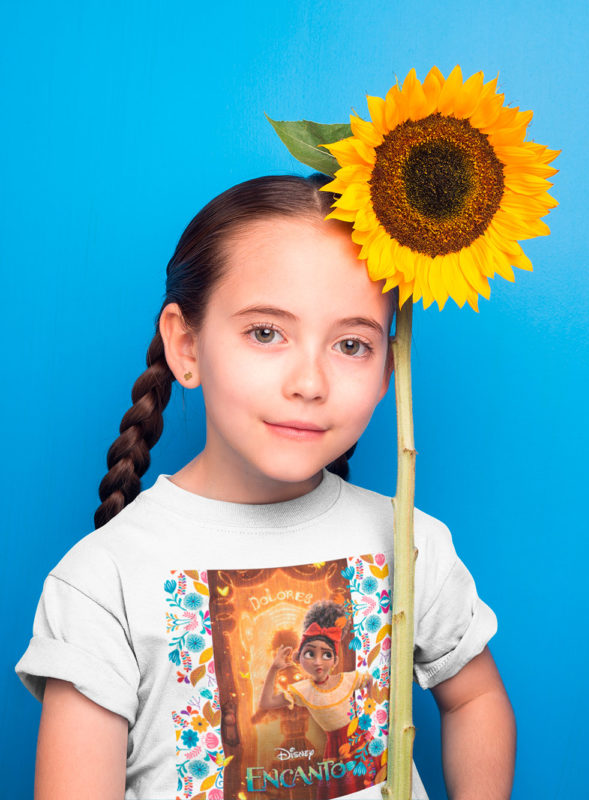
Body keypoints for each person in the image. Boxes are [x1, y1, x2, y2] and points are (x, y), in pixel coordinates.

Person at [15, 173, 516, 800]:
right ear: (187, 344)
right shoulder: (101, 582)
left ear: (390, 367)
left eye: (352, 344)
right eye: (266, 332)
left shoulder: (409, 540)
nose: (309, 382)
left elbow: (474, 698)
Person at [258, 599, 384, 799]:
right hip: (334, 751)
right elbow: (266, 703)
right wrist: (274, 668)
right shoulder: (303, 690)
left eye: (326, 655)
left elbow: (370, 679)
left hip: (360, 742)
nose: (318, 662)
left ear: (335, 660)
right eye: (310, 653)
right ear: (298, 658)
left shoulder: (348, 679)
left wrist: (369, 711)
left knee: (371, 784)